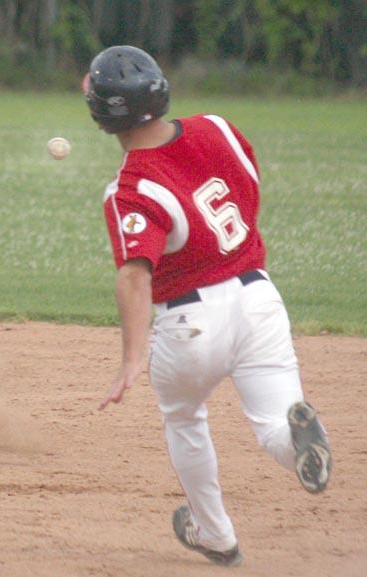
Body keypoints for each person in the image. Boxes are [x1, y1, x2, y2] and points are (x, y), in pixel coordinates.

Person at [86, 46, 332, 566]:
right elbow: (249, 187)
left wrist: (131, 359)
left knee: (184, 417)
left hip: (189, 323)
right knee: (272, 423)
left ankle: (215, 533)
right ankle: (299, 442)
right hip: (258, 297)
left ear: (104, 118)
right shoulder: (218, 127)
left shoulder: (129, 188)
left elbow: (134, 277)